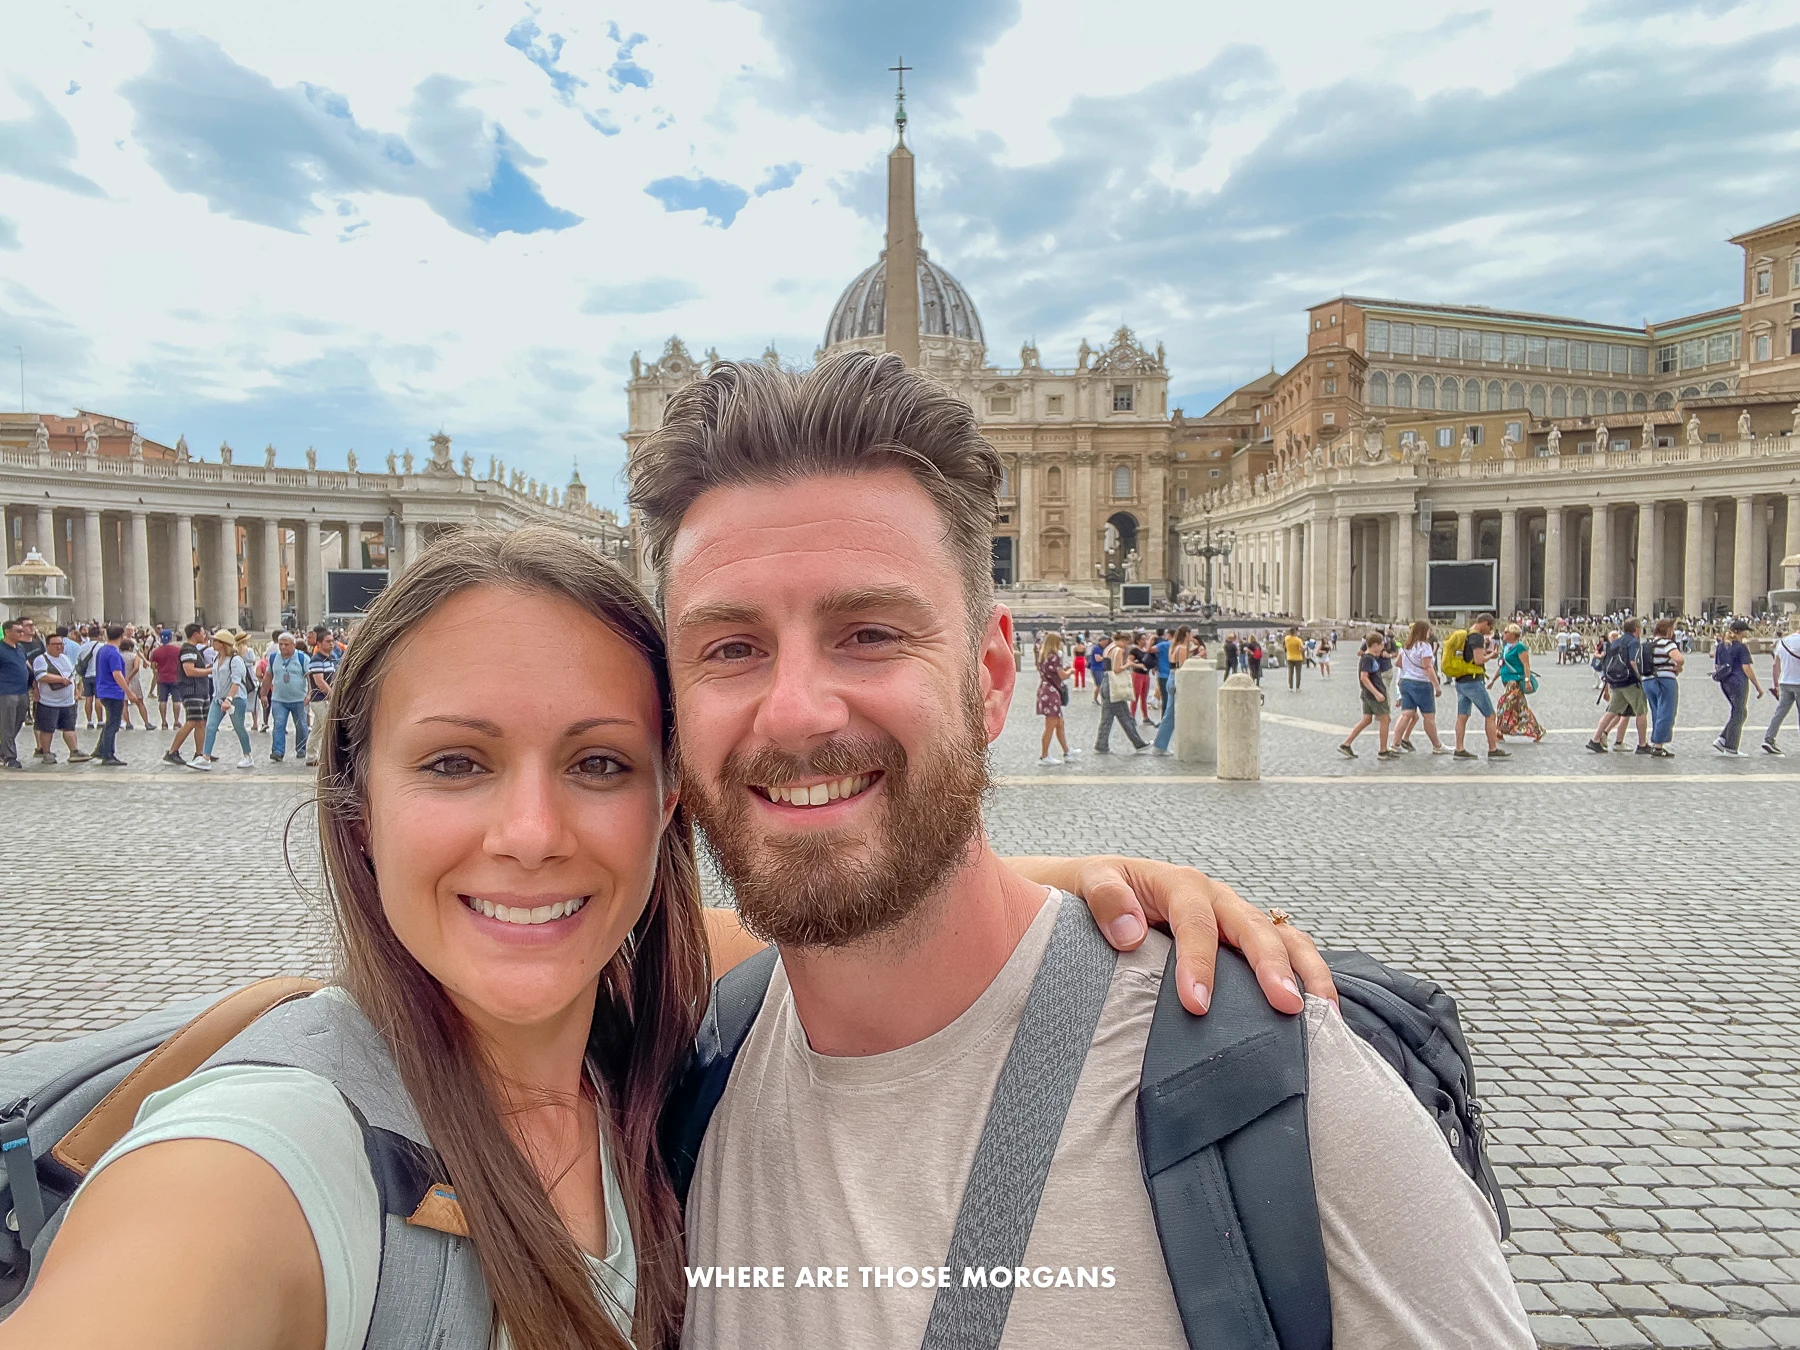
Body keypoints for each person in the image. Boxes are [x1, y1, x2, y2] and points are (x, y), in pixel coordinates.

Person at [3, 523, 1327, 1350]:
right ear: (356, 797)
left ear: (668, 800)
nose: (530, 833)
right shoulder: (260, 1166)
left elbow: (795, 925)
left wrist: (1091, 880)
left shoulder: (637, 1017)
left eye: (596, 762)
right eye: (457, 762)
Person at [628, 353, 1529, 1349]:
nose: (796, 711)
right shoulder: (672, 1073)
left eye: (872, 633)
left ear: (993, 674)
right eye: (730, 648)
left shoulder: (1285, 1092)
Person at [1446, 614, 1507, 760]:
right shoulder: (1477, 637)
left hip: (1460, 680)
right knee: (1490, 715)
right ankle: (1493, 748)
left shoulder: (1467, 634)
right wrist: (1491, 656)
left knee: (1462, 716)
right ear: (1485, 623)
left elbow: (1471, 656)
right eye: (1490, 627)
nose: (1490, 630)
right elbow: (1479, 660)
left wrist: (1485, 653)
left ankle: (1459, 748)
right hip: (1473, 681)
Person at [1586, 618, 1649, 754]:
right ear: (1637, 629)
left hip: (1615, 681)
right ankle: (1643, 744)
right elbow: (1633, 662)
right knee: (1641, 711)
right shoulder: (1633, 642)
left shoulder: (1615, 642)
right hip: (1630, 681)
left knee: (1611, 712)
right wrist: (1641, 676)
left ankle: (1595, 739)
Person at [194, 628, 253, 770]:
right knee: (211, 726)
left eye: (216, 641)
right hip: (218, 697)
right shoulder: (216, 658)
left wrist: (229, 699)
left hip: (235, 698)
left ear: (223, 644)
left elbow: (236, 681)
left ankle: (247, 755)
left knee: (239, 728)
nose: (213, 643)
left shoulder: (235, 660)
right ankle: (205, 757)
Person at [1391, 620, 1447, 754]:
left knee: (1406, 714)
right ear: (1424, 631)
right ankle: (1437, 745)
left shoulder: (1406, 646)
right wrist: (1437, 686)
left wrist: (1409, 669)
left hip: (1406, 681)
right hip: (1421, 683)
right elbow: (1428, 667)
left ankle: (1395, 744)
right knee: (1428, 716)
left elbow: (1398, 663)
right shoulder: (1424, 646)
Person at [31, 631, 87, 763]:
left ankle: (74, 751)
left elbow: (72, 675)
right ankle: (46, 752)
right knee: (47, 729)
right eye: (55, 644)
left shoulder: (65, 658)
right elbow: (41, 676)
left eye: (61, 644)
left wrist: (75, 690)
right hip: (48, 702)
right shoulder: (41, 659)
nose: (59, 647)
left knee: (69, 727)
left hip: (68, 702)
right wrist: (61, 680)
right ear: (48, 645)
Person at [1712, 618, 1763, 756]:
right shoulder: (1741, 647)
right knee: (1739, 712)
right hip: (1739, 682)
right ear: (1741, 632)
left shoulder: (1721, 646)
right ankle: (1731, 747)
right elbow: (1746, 668)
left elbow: (1717, 666)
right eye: (1746, 631)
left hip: (1725, 682)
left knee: (1739, 712)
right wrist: (1758, 686)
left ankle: (1722, 739)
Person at [1338, 631, 1393, 758]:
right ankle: (1383, 750)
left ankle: (1346, 744)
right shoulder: (1367, 659)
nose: (1382, 647)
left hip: (1367, 694)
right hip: (1373, 694)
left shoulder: (1371, 658)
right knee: (1385, 719)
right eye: (1381, 645)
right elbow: (1364, 677)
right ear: (1374, 645)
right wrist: (1377, 693)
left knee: (1367, 719)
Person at [165, 624, 213, 766]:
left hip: (200, 690)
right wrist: (210, 671)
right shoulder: (188, 649)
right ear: (195, 634)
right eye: (203, 633)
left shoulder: (194, 650)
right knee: (192, 721)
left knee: (201, 722)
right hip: (192, 690)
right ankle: (172, 751)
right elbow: (189, 671)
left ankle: (200, 753)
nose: (205, 635)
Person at [1094, 630, 1148, 753]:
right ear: (1123, 641)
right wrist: (1128, 664)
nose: (1127, 646)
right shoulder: (1118, 650)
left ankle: (1101, 744)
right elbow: (1117, 669)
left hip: (1106, 683)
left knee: (1107, 718)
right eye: (1127, 643)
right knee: (1125, 717)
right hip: (1115, 685)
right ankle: (1139, 744)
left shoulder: (1109, 648)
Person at [1491, 623, 1545, 744]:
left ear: (1513, 635)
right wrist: (1493, 681)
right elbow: (1501, 666)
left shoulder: (1520, 647)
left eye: (1506, 632)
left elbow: (1526, 664)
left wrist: (1527, 681)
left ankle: (1498, 731)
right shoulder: (1505, 648)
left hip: (1515, 682)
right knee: (1521, 707)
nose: (1503, 634)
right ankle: (1537, 730)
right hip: (1506, 681)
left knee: (1503, 704)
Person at [88, 624, 130, 766]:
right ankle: (108, 755)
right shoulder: (113, 653)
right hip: (113, 691)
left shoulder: (103, 650)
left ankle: (101, 749)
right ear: (121, 636)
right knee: (113, 724)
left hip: (103, 690)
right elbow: (117, 674)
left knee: (110, 722)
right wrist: (128, 692)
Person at [266, 632, 311, 763]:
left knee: (301, 725)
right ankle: (278, 751)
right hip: (279, 699)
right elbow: (268, 676)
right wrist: (263, 694)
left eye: (286, 644)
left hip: (299, 699)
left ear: (294, 645)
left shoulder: (302, 658)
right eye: (281, 644)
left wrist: (309, 693)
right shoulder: (274, 657)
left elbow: (310, 677)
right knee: (279, 724)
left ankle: (301, 748)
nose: (283, 647)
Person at [1643, 617, 1683, 757]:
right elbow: (1679, 658)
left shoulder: (1648, 643)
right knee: (1667, 711)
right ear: (1668, 630)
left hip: (1647, 680)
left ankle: (1656, 742)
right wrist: (1678, 668)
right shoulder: (1667, 644)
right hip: (1664, 680)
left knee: (1656, 712)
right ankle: (1658, 745)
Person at [1761, 618, 1800, 754]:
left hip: (1784, 682)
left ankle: (1769, 739)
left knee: (1780, 712)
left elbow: (1775, 664)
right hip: (1798, 682)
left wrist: (1776, 684)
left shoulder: (1782, 642)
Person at [1151, 627, 1192, 755]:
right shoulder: (1182, 648)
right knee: (1170, 715)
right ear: (1186, 634)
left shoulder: (1173, 647)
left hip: (1170, 677)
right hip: (1177, 679)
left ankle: (1161, 744)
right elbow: (1183, 667)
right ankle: (1160, 746)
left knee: (1169, 712)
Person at [1035, 631, 1073, 765]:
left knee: (1059, 723)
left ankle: (1067, 751)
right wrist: (1070, 671)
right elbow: (1062, 676)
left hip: (1045, 690)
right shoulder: (1054, 657)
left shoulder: (1043, 657)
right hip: (1052, 693)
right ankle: (1044, 756)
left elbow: (1054, 672)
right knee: (1050, 726)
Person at [0, 618, 32, 768]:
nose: (22, 633)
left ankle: (3, 749)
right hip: (6, 691)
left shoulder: (20, 648)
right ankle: (10, 757)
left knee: (18, 722)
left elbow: (26, 666)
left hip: (22, 691)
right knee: (7, 724)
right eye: (18, 631)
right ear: (7, 632)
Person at [304, 633, 340, 766]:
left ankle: (311, 756)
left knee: (317, 729)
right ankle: (329, 758)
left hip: (324, 699)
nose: (331, 644)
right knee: (328, 728)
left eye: (332, 641)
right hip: (320, 700)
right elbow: (319, 682)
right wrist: (333, 695)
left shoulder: (329, 658)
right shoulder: (316, 659)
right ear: (319, 643)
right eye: (327, 641)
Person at [149, 629, 183, 730]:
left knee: (162, 700)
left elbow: (153, 665)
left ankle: (164, 722)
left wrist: (157, 671)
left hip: (162, 678)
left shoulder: (156, 651)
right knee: (177, 700)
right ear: (171, 638)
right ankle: (176, 722)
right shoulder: (177, 650)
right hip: (175, 677)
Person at [120, 636, 153, 732]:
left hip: (121, 680)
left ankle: (128, 723)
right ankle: (146, 723)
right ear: (131, 648)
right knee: (140, 702)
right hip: (133, 680)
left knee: (124, 703)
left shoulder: (118, 655)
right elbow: (136, 668)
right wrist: (129, 677)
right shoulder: (134, 656)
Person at [1153, 627, 1172, 714]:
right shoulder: (1180, 645)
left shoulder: (1163, 644)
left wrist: (1151, 639)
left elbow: (1148, 650)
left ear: (1168, 635)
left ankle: (1164, 720)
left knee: (1165, 698)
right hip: (1173, 674)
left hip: (1163, 675)